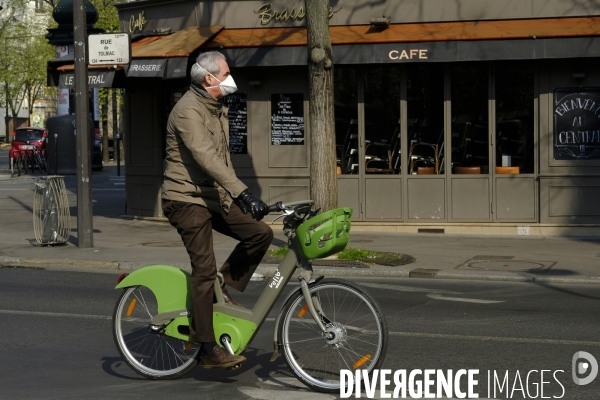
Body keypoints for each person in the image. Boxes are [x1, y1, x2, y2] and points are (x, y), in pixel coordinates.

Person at [161, 51, 273, 369]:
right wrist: (243, 193)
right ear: (210, 78)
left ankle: (220, 290)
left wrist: (236, 198)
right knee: (203, 270)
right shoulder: (187, 111)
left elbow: (222, 160)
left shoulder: (216, 107)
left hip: (213, 198)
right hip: (185, 199)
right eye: (226, 71)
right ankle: (207, 347)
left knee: (259, 233)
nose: (230, 75)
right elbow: (206, 157)